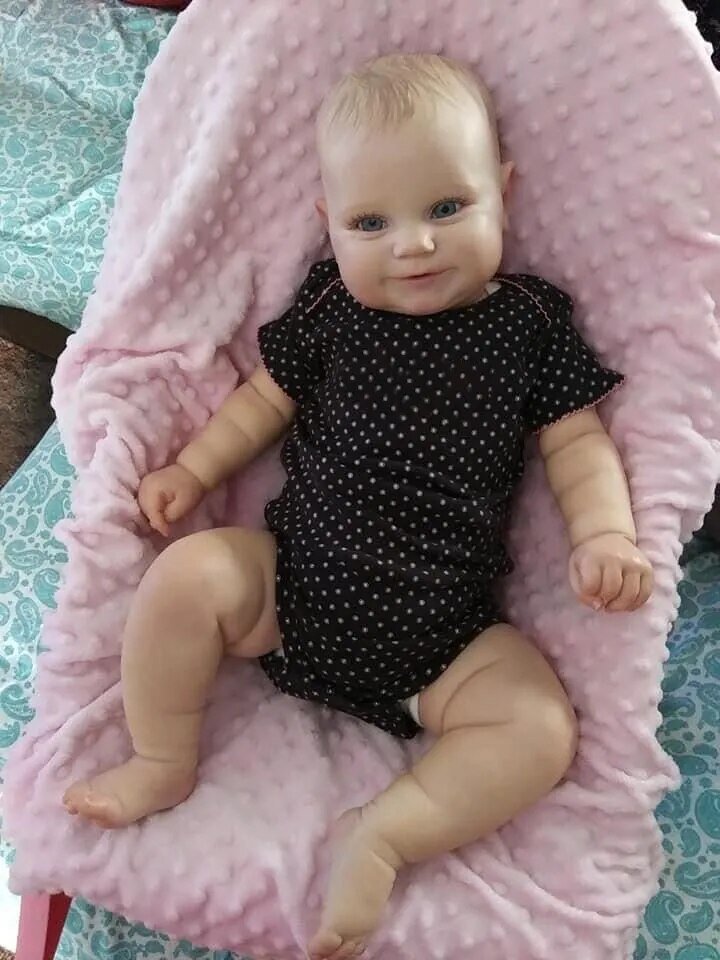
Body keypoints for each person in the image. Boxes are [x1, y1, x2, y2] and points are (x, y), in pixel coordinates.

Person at [63, 54, 654, 960]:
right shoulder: (335, 306)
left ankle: (384, 832)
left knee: (538, 728)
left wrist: (605, 532)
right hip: (288, 593)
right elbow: (262, 403)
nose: (412, 245)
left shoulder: (527, 326)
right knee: (188, 574)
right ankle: (161, 759)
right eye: (371, 223)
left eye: (446, 208)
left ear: (502, 193)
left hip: (443, 641)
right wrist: (194, 467)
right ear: (327, 223)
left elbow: (578, 444)